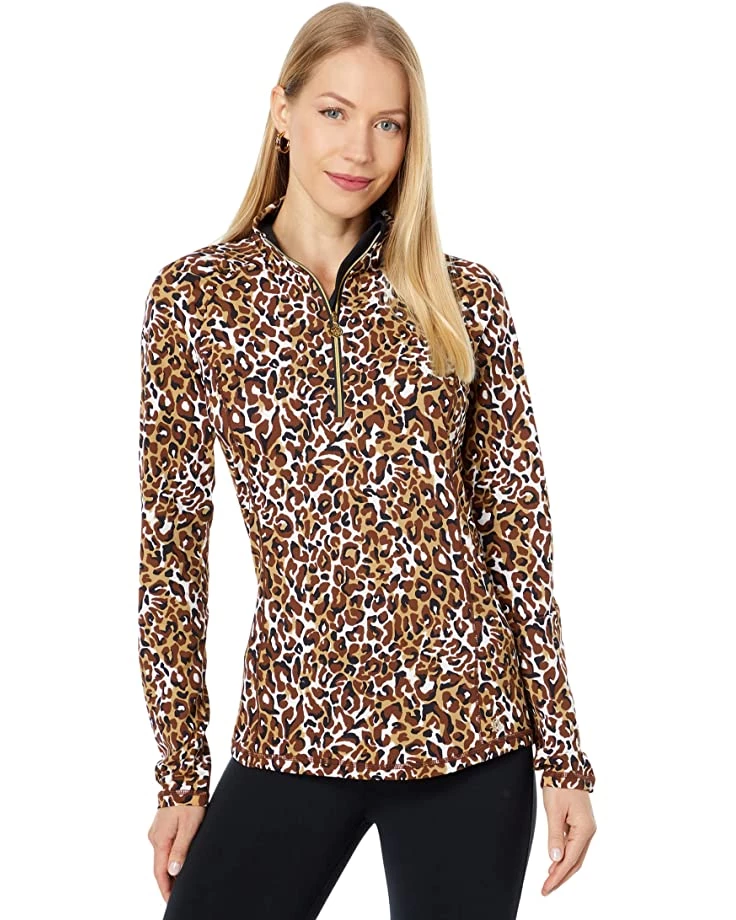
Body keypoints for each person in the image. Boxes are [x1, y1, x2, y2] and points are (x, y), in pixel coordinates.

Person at [137, 4, 597, 917]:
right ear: (282, 110)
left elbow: (516, 532)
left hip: (469, 729)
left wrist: (564, 755)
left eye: (389, 123)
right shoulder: (195, 300)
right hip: (293, 724)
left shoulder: (464, 296)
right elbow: (171, 551)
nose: (359, 149)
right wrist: (181, 772)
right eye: (334, 112)